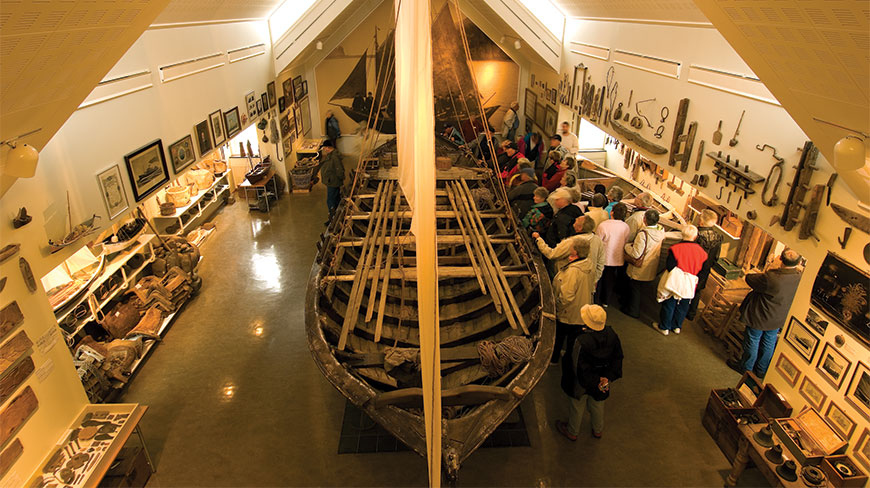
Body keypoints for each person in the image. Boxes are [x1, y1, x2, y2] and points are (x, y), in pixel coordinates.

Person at [729, 249, 803, 376]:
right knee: (769, 342)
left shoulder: (772, 277)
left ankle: (746, 367)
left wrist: (772, 266)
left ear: (780, 259)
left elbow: (750, 278)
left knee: (753, 340)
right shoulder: (799, 278)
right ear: (799, 262)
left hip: (761, 316)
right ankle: (761, 370)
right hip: (778, 317)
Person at [555, 304, 623, 441]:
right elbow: (617, 358)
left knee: (577, 406)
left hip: (581, 381)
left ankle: (572, 431)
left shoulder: (582, 340)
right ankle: (598, 430)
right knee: (597, 404)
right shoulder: (612, 335)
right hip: (602, 379)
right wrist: (606, 378)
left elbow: (576, 365)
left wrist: (591, 380)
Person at [655, 225, 707, 336]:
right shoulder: (702, 252)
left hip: (675, 280)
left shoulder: (675, 248)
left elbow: (669, 266)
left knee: (669, 303)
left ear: (682, 234)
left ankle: (664, 327)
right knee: (683, 305)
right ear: (695, 236)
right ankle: (677, 326)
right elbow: (703, 269)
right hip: (690, 281)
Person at [550, 239, 596, 364]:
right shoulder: (589, 264)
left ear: (575, 251)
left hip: (568, 312)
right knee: (573, 338)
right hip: (581, 310)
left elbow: (566, 297)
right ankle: (568, 358)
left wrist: (556, 308)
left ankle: (554, 359)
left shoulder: (573, 271)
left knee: (560, 336)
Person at [534, 215, 605, 285]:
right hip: (588, 281)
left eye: (575, 222)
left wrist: (538, 239)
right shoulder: (597, 240)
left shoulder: (572, 242)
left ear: (580, 228)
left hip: (567, 281)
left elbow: (551, 254)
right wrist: (594, 279)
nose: (573, 224)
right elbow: (601, 262)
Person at [622, 209, 666, 319]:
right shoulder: (661, 230)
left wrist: (627, 246)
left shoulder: (643, 234)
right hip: (651, 266)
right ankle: (634, 307)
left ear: (644, 219)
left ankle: (632, 310)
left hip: (639, 268)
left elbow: (636, 254)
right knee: (640, 289)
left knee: (634, 289)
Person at [686, 210, 723, 321]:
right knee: (697, 291)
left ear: (701, 221)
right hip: (705, 269)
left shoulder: (696, 235)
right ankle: (691, 313)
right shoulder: (718, 237)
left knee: (685, 289)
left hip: (691, 268)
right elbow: (716, 257)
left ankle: (680, 311)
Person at [594, 203, 630, 307]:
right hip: (617, 258)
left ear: (612, 212)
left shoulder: (604, 225)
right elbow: (626, 241)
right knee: (610, 280)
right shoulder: (626, 227)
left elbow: (597, 241)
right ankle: (606, 301)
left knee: (599, 279)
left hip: (603, 256)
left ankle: (596, 300)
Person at [318, 140, 344, 222]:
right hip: (332, 181)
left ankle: (332, 218)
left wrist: (340, 178)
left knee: (331, 200)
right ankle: (337, 215)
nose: (324, 150)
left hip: (333, 182)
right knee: (335, 198)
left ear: (328, 148)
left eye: (324, 148)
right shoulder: (331, 155)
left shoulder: (334, 157)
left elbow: (339, 169)